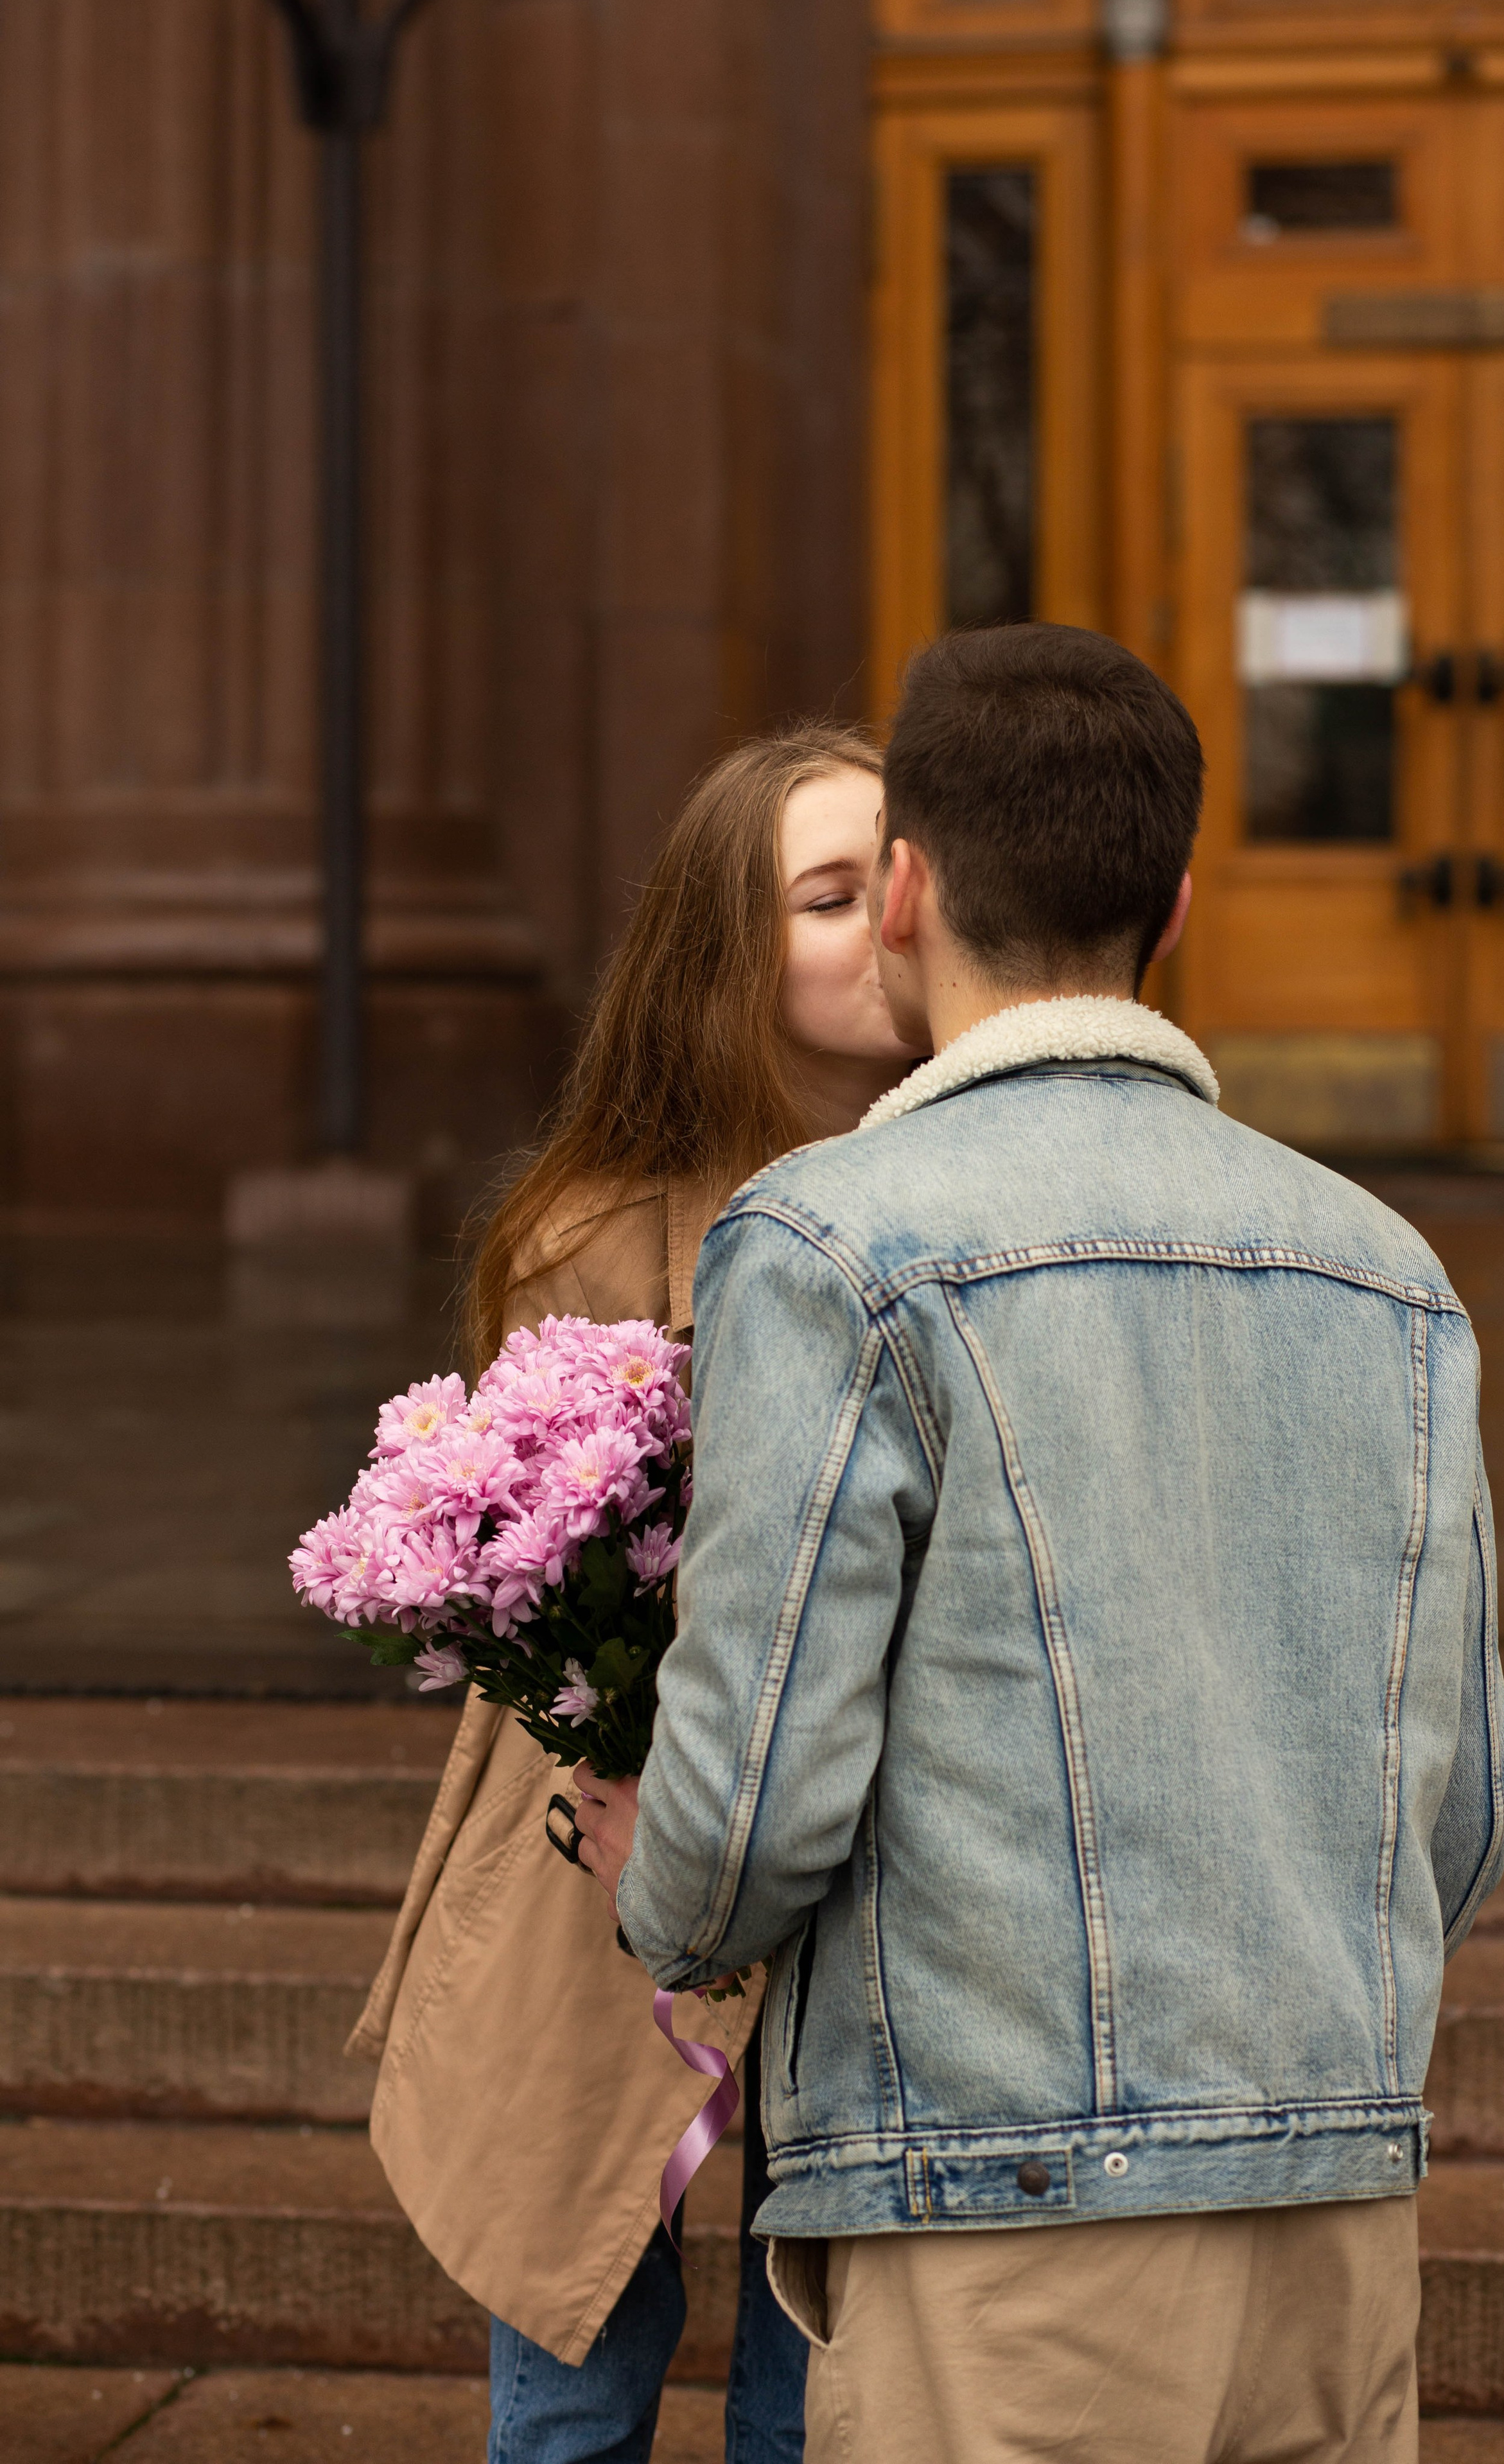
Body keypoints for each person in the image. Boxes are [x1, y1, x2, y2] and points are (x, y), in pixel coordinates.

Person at [575, 624, 1504, 2464]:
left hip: (997, 2210)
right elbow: (1465, 1801)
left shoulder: (836, 1243)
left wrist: (664, 1900)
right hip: (1335, 2208)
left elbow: (755, 1792)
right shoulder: (1391, 1267)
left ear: (906, 891)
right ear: (1175, 908)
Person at [347, 720, 923, 2464]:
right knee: (577, 2365)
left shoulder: (976, 1203)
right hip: (603, 1869)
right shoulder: (587, 1235)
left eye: (901, 879)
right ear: (724, 958)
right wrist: (634, 1767)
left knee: (826, 2375)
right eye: (829, 895)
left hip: (876, 1859)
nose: (888, 922)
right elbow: (526, 1578)